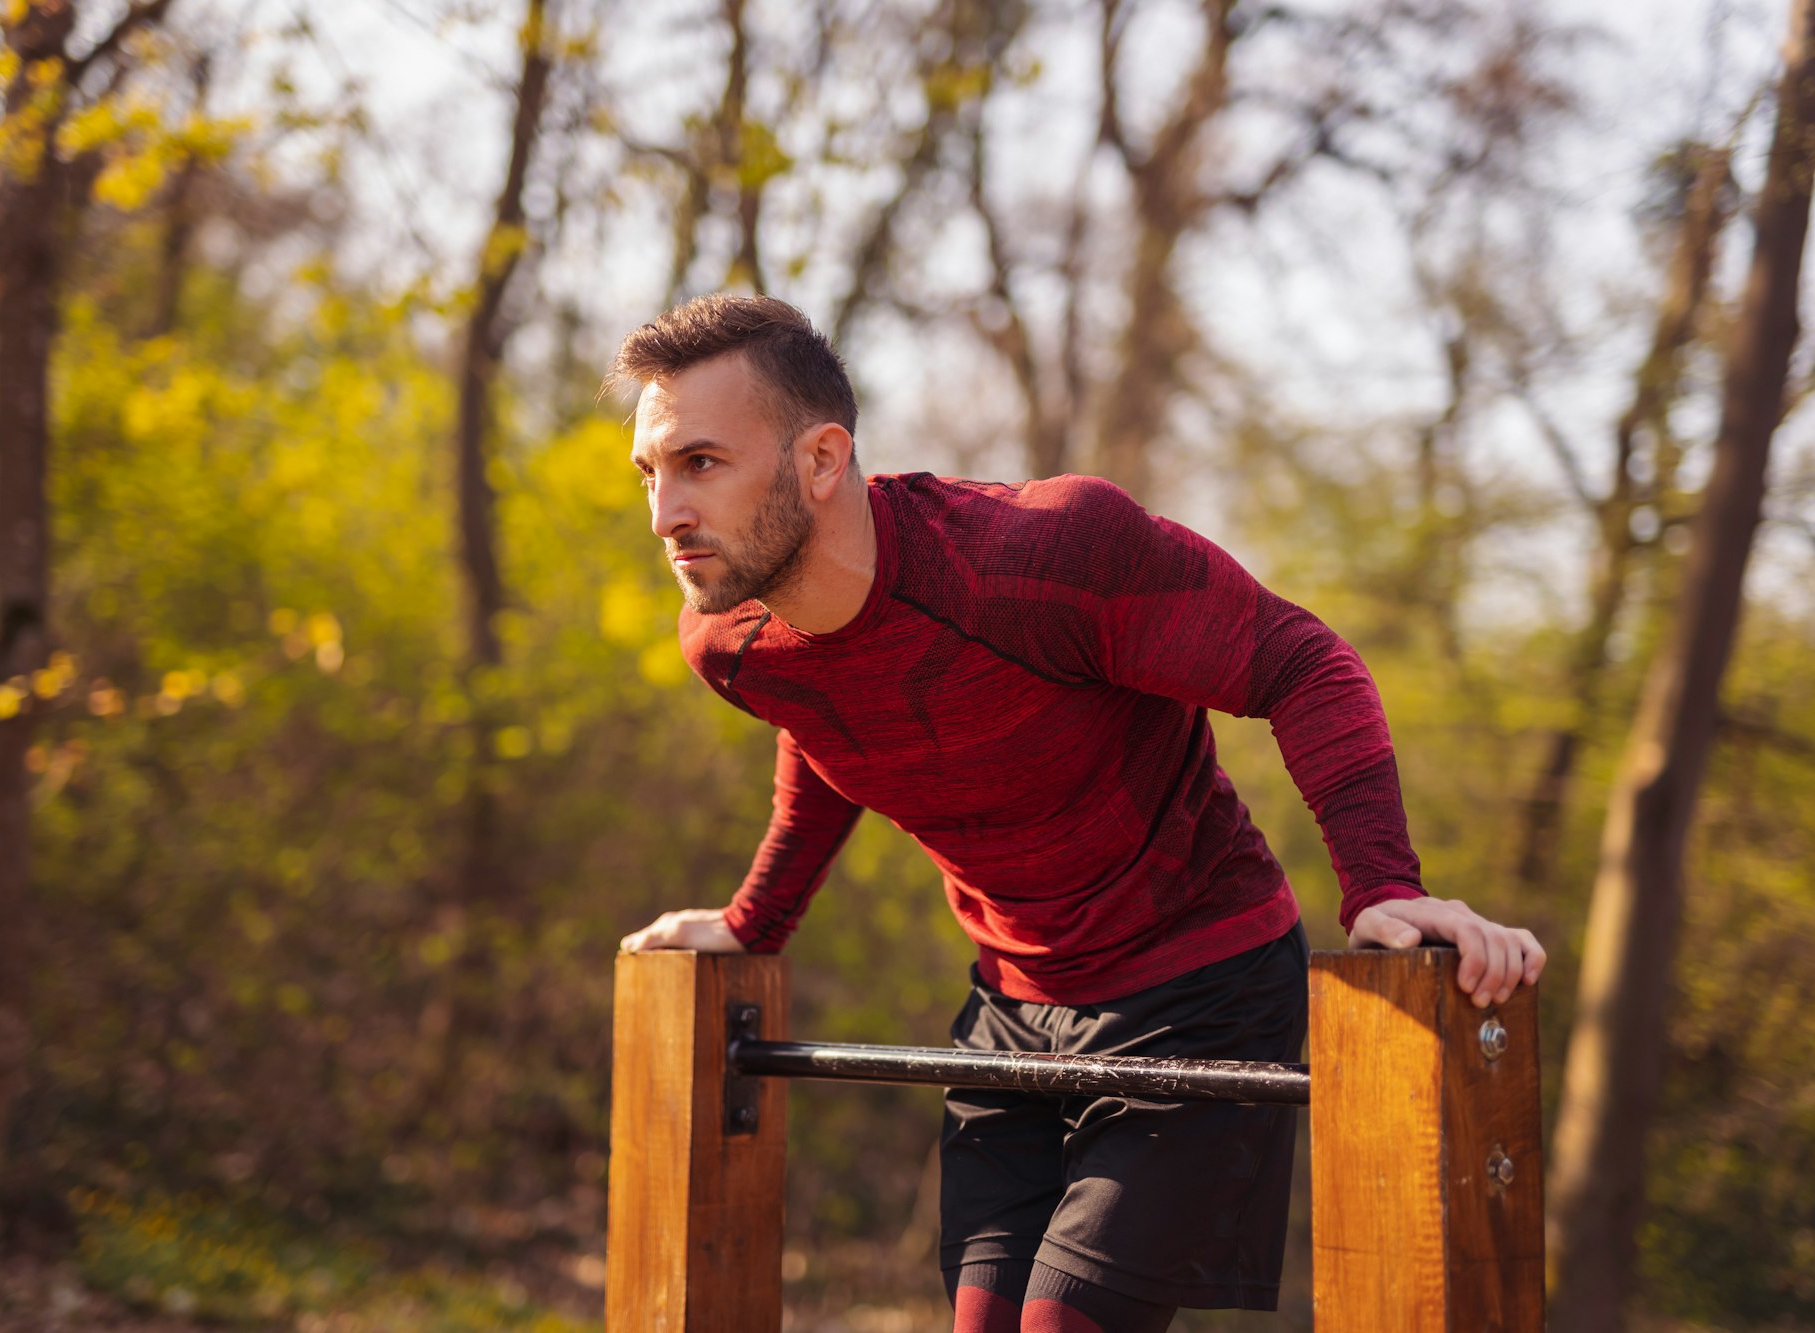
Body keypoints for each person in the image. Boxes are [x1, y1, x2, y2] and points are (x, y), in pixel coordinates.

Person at [610, 293, 1545, 1333]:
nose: (663, 515)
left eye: (700, 463)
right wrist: (752, 924)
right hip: (1011, 1008)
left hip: (1201, 995)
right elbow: (831, 733)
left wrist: (1382, 889)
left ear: (821, 460)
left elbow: (1302, 662)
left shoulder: (1041, 556)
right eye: (649, 473)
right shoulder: (731, 642)